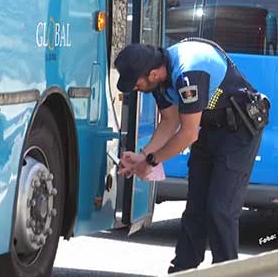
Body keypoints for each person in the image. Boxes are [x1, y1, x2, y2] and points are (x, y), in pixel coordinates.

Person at [114, 38, 269, 273]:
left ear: (153, 73)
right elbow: (169, 121)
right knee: (196, 206)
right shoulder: (160, 78)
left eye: (135, 83)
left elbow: (187, 134)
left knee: (220, 209)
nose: (135, 88)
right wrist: (142, 156)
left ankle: (226, 271)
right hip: (210, 127)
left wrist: (152, 161)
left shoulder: (188, 73)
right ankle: (183, 269)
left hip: (239, 132)